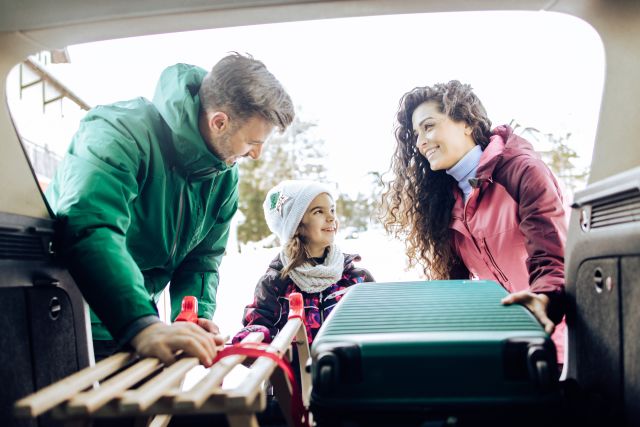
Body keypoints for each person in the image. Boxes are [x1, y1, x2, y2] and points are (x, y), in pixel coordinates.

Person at [46, 53, 295, 367]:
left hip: (136, 316)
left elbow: (202, 258)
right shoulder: (118, 131)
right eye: (254, 141)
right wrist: (142, 323)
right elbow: (90, 225)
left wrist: (190, 317)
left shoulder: (223, 176)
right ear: (220, 122)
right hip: (67, 313)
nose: (257, 154)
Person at [382, 80, 567, 364]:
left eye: (428, 126)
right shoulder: (446, 201)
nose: (420, 142)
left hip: (555, 334)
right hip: (507, 343)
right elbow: (458, 285)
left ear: (466, 122)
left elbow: (553, 257)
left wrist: (544, 299)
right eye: (416, 133)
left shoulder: (522, 172)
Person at [233, 180, 375, 345]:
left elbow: (380, 325)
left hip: (350, 369)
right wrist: (252, 338)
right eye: (318, 212)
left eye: (332, 210)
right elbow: (259, 325)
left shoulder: (357, 280)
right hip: (299, 370)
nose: (331, 217)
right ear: (297, 225)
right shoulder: (275, 284)